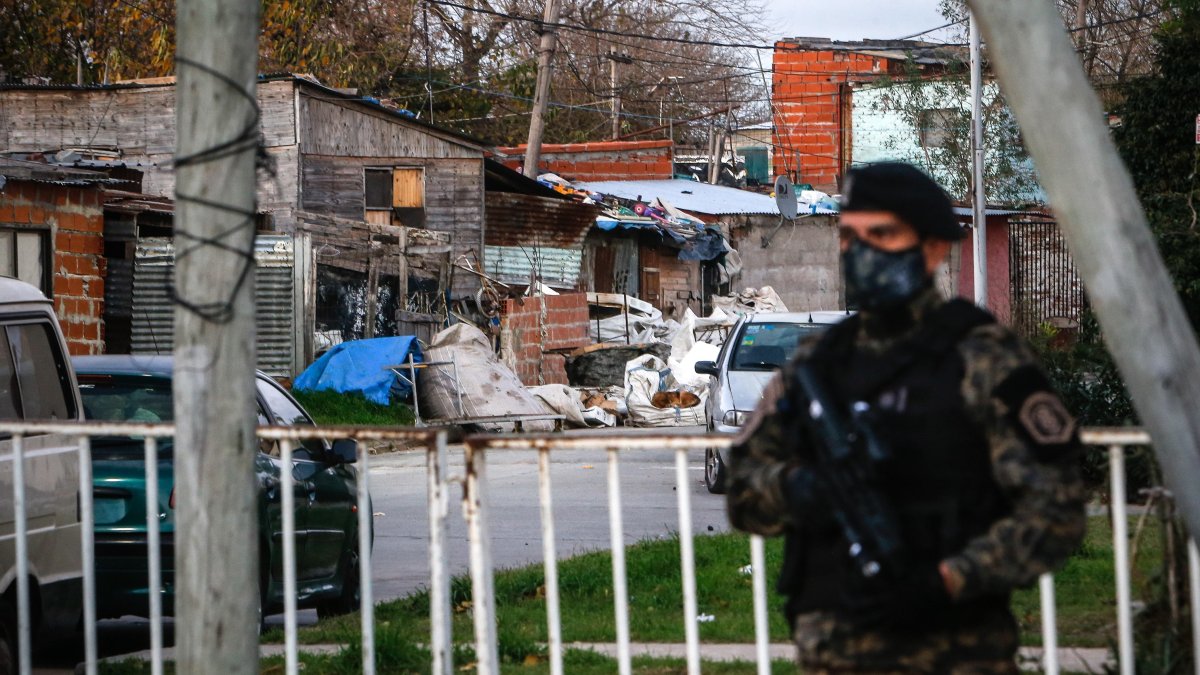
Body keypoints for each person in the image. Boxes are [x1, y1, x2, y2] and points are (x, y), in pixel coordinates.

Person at [726, 162, 1087, 674]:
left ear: (933, 247)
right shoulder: (817, 366)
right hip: (834, 653)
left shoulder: (982, 357)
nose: (861, 251)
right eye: (850, 236)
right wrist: (798, 488)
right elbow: (743, 487)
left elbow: (1056, 508)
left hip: (957, 653)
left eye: (882, 235)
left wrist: (952, 579)